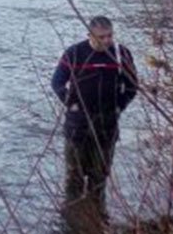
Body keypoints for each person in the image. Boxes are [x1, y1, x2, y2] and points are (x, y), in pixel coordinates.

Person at [51, 16, 138, 198]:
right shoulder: (74, 53)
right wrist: (70, 103)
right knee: (74, 177)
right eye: (102, 37)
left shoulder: (121, 54)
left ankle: (96, 216)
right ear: (90, 35)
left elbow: (132, 86)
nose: (107, 40)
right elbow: (57, 82)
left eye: (110, 36)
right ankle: (71, 219)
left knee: (99, 177)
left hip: (107, 123)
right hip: (78, 123)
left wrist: (119, 107)